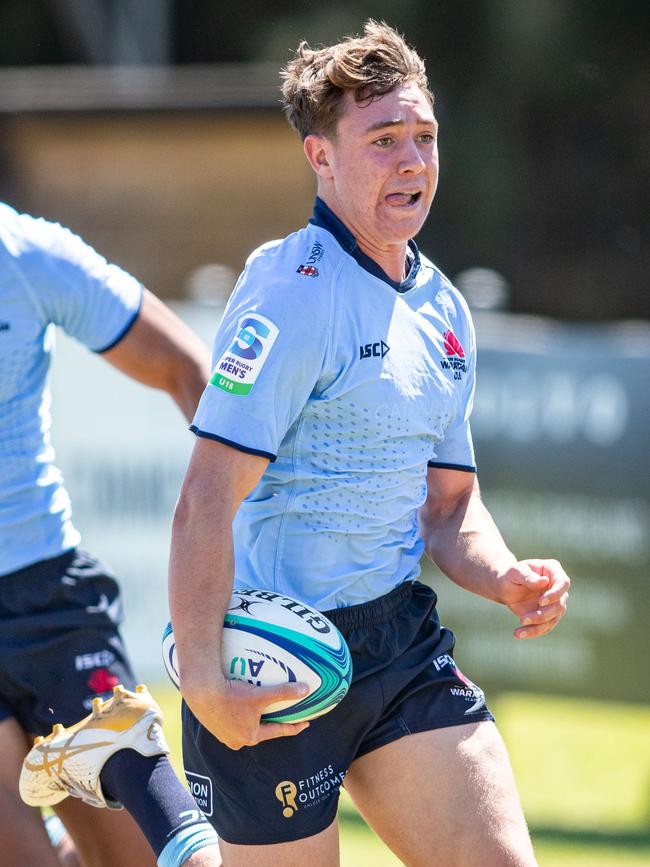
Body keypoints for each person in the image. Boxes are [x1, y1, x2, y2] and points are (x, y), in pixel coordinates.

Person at [165, 20, 570, 867]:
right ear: (320, 156)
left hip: (397, 647)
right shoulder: (292, 289)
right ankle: (145, 789)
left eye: (423, 137)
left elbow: (451, 505)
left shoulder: (445, 309)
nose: (413, 161)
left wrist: (506, 576)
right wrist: (204, 679)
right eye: (383, 140)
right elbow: (206, 497)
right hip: (275, 653)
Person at [1, 201, 221, 867]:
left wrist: (244, 528)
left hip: (52, 603)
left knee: (165, 856)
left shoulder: (28, 253)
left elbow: (191, 371)